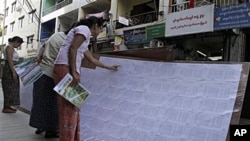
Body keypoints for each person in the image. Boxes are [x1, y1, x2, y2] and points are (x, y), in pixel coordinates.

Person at [53, 16, 120, 141]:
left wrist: (109, 67)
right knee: (69, 108)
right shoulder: (84, 29)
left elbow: (92, 59)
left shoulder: (85, 39)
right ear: (95, 26)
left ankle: (72, 138)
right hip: (65, 68)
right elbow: (73, 48)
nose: (100, 32)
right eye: (100, 28)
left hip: (65, 68)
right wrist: (74, 72)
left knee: (74, 106)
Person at [29, 28, 72, 138]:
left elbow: (43, 46)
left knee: (40, 103)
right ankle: (51, 130)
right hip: (52, 74)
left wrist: (39, 56)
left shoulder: (56, 35)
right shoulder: (68, 41)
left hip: (41, 72)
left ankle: (40, 126)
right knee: (53, 104)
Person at [1, 36, 24, 113]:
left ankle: (9, 105)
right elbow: (10, 60)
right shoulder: (9, 47)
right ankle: (6, 107)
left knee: (12, 87)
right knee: (9, 88)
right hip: (10, 69)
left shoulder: (10, 47)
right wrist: (13, 72)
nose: (19, 46)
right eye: (19, 44)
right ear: (16, 42)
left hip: (12, 68)